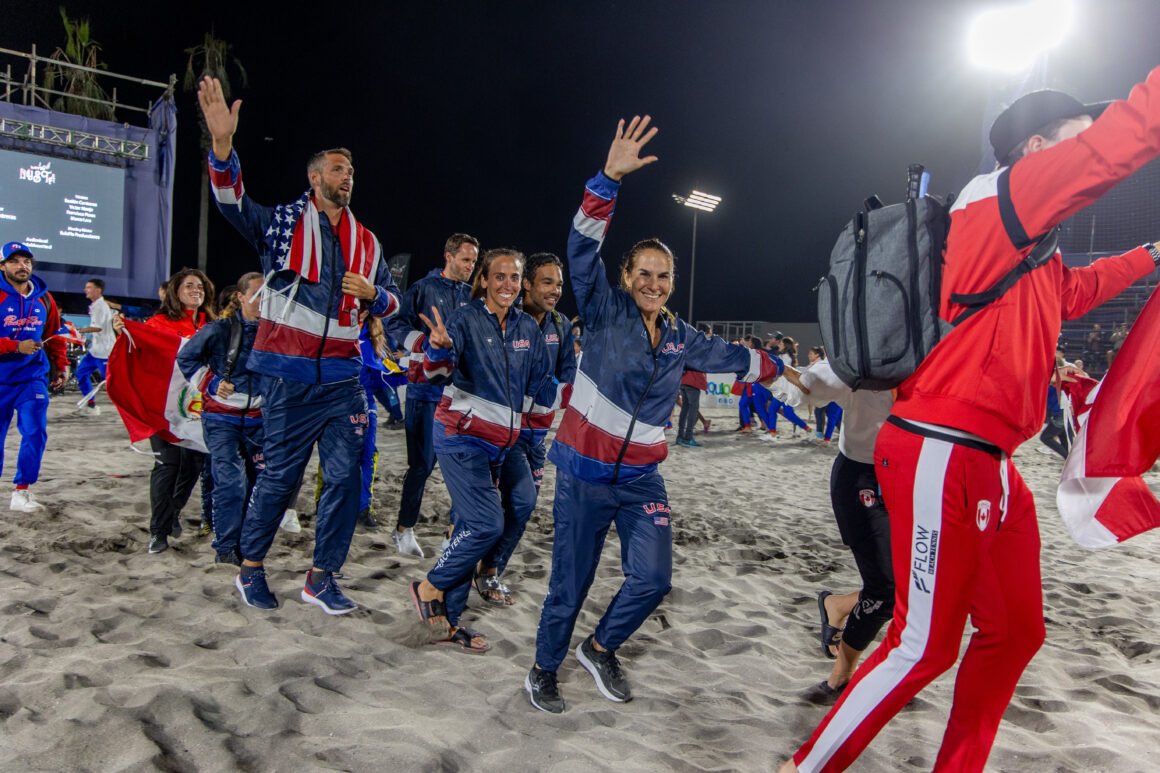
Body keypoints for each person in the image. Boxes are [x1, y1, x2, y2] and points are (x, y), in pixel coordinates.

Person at [782, 70, 1160, 773]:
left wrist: (1153, 255)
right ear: (1038, 148)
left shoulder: (1032, 247)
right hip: (938, 449)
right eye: (1078, 136)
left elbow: (1079, 290)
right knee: (921, 645)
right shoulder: (1004, 201)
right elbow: (1121, 144)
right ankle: (803, 766)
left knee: (1015, 630)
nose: (1087, 150)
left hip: (990, 459)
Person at [526, 116, 803, 714]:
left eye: (663, 275)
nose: (653, 283)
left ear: (673, 283)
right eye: (643, 273)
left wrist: (786, 375)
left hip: (641, 478)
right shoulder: (601, 309)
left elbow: (737, 357)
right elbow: (581, 246)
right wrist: (607, 181)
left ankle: (600, 649)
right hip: (582, 473)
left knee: (652, 580)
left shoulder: (682, 336)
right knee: (568, 589)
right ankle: (544, 669)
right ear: (626, 278)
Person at [198, 75, 402, 615]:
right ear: (314, 178)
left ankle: (321, 577)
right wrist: (222, 147)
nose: (348, 177)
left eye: (351, 170)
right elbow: (231, 203)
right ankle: (250, 569)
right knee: (280, 478)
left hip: (341, 379)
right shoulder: (283, 225)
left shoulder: (368, 241)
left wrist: (376, 294)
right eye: (338, 169)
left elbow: (394, 302)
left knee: (344, 480)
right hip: (286, 377)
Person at [407, 248, 559, 653]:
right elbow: (437, 373)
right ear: (486, 281)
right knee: (481, 523)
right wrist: (437, 349)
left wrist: (534, 449)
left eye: (514, 278)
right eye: (499, 277)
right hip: (462, 437)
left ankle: (487, 571)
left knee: (523, 500)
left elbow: (542, 391)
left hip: (506, 443)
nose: (507, 285)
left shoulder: (531, 328)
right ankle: (432, 592)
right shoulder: (464, 319)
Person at [475, 251, 577, 605]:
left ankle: (488, 569)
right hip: (502, 431)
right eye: (547, 282)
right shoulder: (505, 320)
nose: (555, 290)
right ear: (527, 284)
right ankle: (470, 567)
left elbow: (568, 379)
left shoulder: (562, 325)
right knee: (506, 501)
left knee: (521, 506)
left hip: (537, 436)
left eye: (559, 284)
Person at [797, 356, 896, 704]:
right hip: (863, 478)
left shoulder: (936, 358)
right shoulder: (861, 360)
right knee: (884, 591)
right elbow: (807, 386)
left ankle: (839, 606)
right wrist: (769, 367)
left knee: (918, 587)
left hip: (914, 477)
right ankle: (839, 679)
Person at [387, 234, 479, 558]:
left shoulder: (473, 296)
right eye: (466, 260)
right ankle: (403, 528)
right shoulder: (423, 289)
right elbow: (394, 324)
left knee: (465, 469)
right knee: (422, 466)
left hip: (463, 396)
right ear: (448, 256)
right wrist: (423, 344)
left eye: (474, 261)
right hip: (425, 392)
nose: (471, 266)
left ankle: (452, 533)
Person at [116, 268, 216, 554]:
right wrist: (124, 331)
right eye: (188, 286)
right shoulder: (159, 323)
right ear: (175, 291)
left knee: (195, 465)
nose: (196, 290)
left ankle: (172, 512)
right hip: (164, 409)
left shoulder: (212, 325)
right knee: (168, 464)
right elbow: (141, 353)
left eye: (200, 286)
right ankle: (158, 531)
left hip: (197, 408)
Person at [176, 272, 265, 566]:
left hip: (259, 421)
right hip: (221, 419)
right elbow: (186, 358)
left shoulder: (275, 332)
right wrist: (211, 383)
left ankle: (243, 544)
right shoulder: (218, 330)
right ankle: (225, 548)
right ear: (240, 297)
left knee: (256, 485)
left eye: (268, 294)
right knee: (231, 483)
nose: (263, 300)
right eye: (257, 294)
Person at [0, 242, 68, 512]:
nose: (22, 266)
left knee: (35, 433)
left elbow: (55, 335)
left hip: (32, 378)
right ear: (3, 266)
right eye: (14, 261)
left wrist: (60, 366)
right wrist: (15, 346)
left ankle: (21, 492)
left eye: (26, 260)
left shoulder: (44, 298)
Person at [75, 278, 115, 415]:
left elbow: (97, 328)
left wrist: (77, 331)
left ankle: (135, 410)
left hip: (105, 352)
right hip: (95, 352)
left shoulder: (101, 306)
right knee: (81, 373)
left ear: (98, 290)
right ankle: (91, 405)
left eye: (89, 287)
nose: (86, 290)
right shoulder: (95, 305)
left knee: (113, 385)